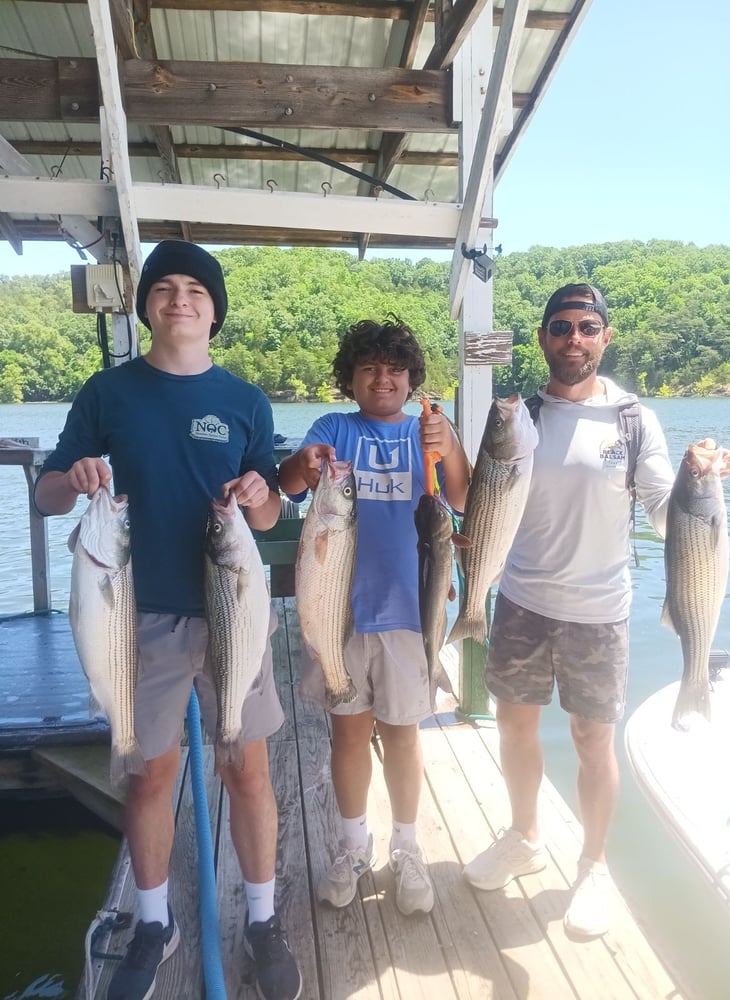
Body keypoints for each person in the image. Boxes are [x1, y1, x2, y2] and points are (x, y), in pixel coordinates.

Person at [34, 241, 302, 1000]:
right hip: (136, 615)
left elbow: (278, 511)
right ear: (146, 303)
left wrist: (261, 496)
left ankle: (261, 916)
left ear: (215, 311)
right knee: (150, 773)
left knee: (246, 768)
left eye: (195, 289)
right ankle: (153, 920)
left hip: (235, 613)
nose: (179, 299)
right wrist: (73, 477)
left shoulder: (246, 399)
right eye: (165, 288)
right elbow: (49, 495)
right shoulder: (108, 394)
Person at [462, 283, 677, 939]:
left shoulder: (634, 420)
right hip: (522, 600)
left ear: (605, 338)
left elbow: (669, 515)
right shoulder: (519, 419)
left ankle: (593, 867)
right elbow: (484, 509)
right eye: (561, 326)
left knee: (592, 741)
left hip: (601, 612)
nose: (574, 338)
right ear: (543, 338)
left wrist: (705, 490)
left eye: (587, 326)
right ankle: (525, 836)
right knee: (516, 728)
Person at [278, 318, 470, 917]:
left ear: (411, 379)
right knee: (348, 733)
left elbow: (461, 497)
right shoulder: (334, 429)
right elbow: (290, 483)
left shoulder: (428, 432)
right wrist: (305, 462)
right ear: (351, 379)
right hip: (338, 613)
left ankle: (407, 849)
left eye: (394, 369)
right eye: (369, 368)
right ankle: (352, 846)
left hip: (409, 612)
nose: (382, 378)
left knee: (404, 734)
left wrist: (451, 443)